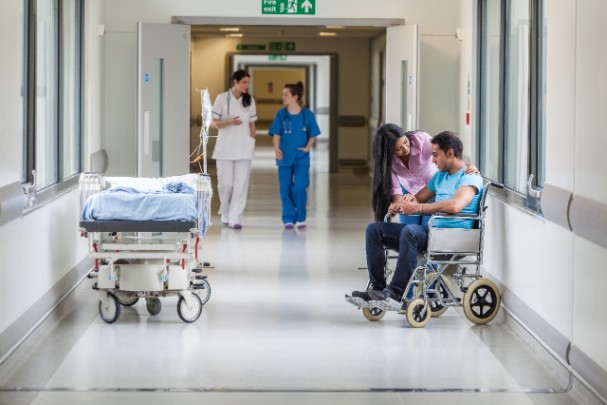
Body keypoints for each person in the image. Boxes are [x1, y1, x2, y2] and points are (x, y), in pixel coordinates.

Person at [352, 131, 484, 304]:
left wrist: (419, 208)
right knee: (374, 230)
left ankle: (396, 293)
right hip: (435, 233)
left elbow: (455, 205)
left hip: (452, 236)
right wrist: (403, 203)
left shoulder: (470, 176)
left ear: (450, 153)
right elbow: (418, 197)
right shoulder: (440, 176)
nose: (433, 160)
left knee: (411, 232)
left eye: (436, 155)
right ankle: (377, 289)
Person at [371, 124, 478, 224]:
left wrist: (466, 166)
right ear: (388, 152)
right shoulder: (387, 161)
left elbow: (445, 154)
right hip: (409, 191)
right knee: (407, 228)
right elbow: (395, 189)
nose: (405, 149)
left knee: (427, 228)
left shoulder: (421, 140)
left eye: (405, 141)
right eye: (398, 149)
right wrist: (398, 205)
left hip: (433, 189)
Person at [268, 82, 321, 229]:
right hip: (284, 157)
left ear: (295, 97)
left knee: (299, 187)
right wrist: (276, 148)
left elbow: (313, 134)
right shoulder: (281, 114)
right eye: (283, 94)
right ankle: (288, 217)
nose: (282, 97)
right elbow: (276, 134)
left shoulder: (307, 115)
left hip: (301, 158)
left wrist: (307, 148)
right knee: (285, 188)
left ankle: (301, 216)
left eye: (286, 94)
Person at [211, 69, 257, 229]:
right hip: (225, 148)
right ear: (235, 82)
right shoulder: (222, 98)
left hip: (244, 147)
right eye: (244, 82)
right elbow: (214, 123)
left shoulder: (249, 100)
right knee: (226, 184)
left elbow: (252, 124)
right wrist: (229, 122)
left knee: (241, 184)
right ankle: (225, 211)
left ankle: (235, 217)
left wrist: (252, 142)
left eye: (248, 82)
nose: (247, 85)